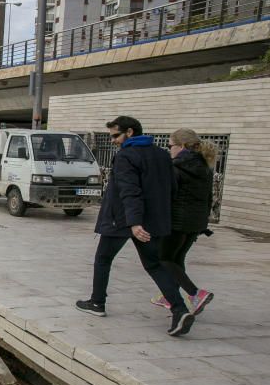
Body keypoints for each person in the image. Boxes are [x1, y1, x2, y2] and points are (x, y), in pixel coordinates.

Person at [76, 116, 196, 337]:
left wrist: (134, 222)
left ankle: (97, 303)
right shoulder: (161, 154)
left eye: (115, 135)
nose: (113, 141)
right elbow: (172, 188)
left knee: (103, 259)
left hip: (124, 220)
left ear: (130, 132)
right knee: (154, 265)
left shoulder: (126, 156)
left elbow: (129, 191)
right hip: (152, 221)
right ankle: (180, 309)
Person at [152, 128, 216, 314]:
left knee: (163, 258)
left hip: (177, 221)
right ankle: (170, 295)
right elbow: (208, 198)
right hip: (195, 223)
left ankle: (196, 293)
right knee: (177, 259)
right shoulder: (204, 167)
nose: (169, 149)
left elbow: (166, 196)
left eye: (170, 145)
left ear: (181, 146)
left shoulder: (177, 167)